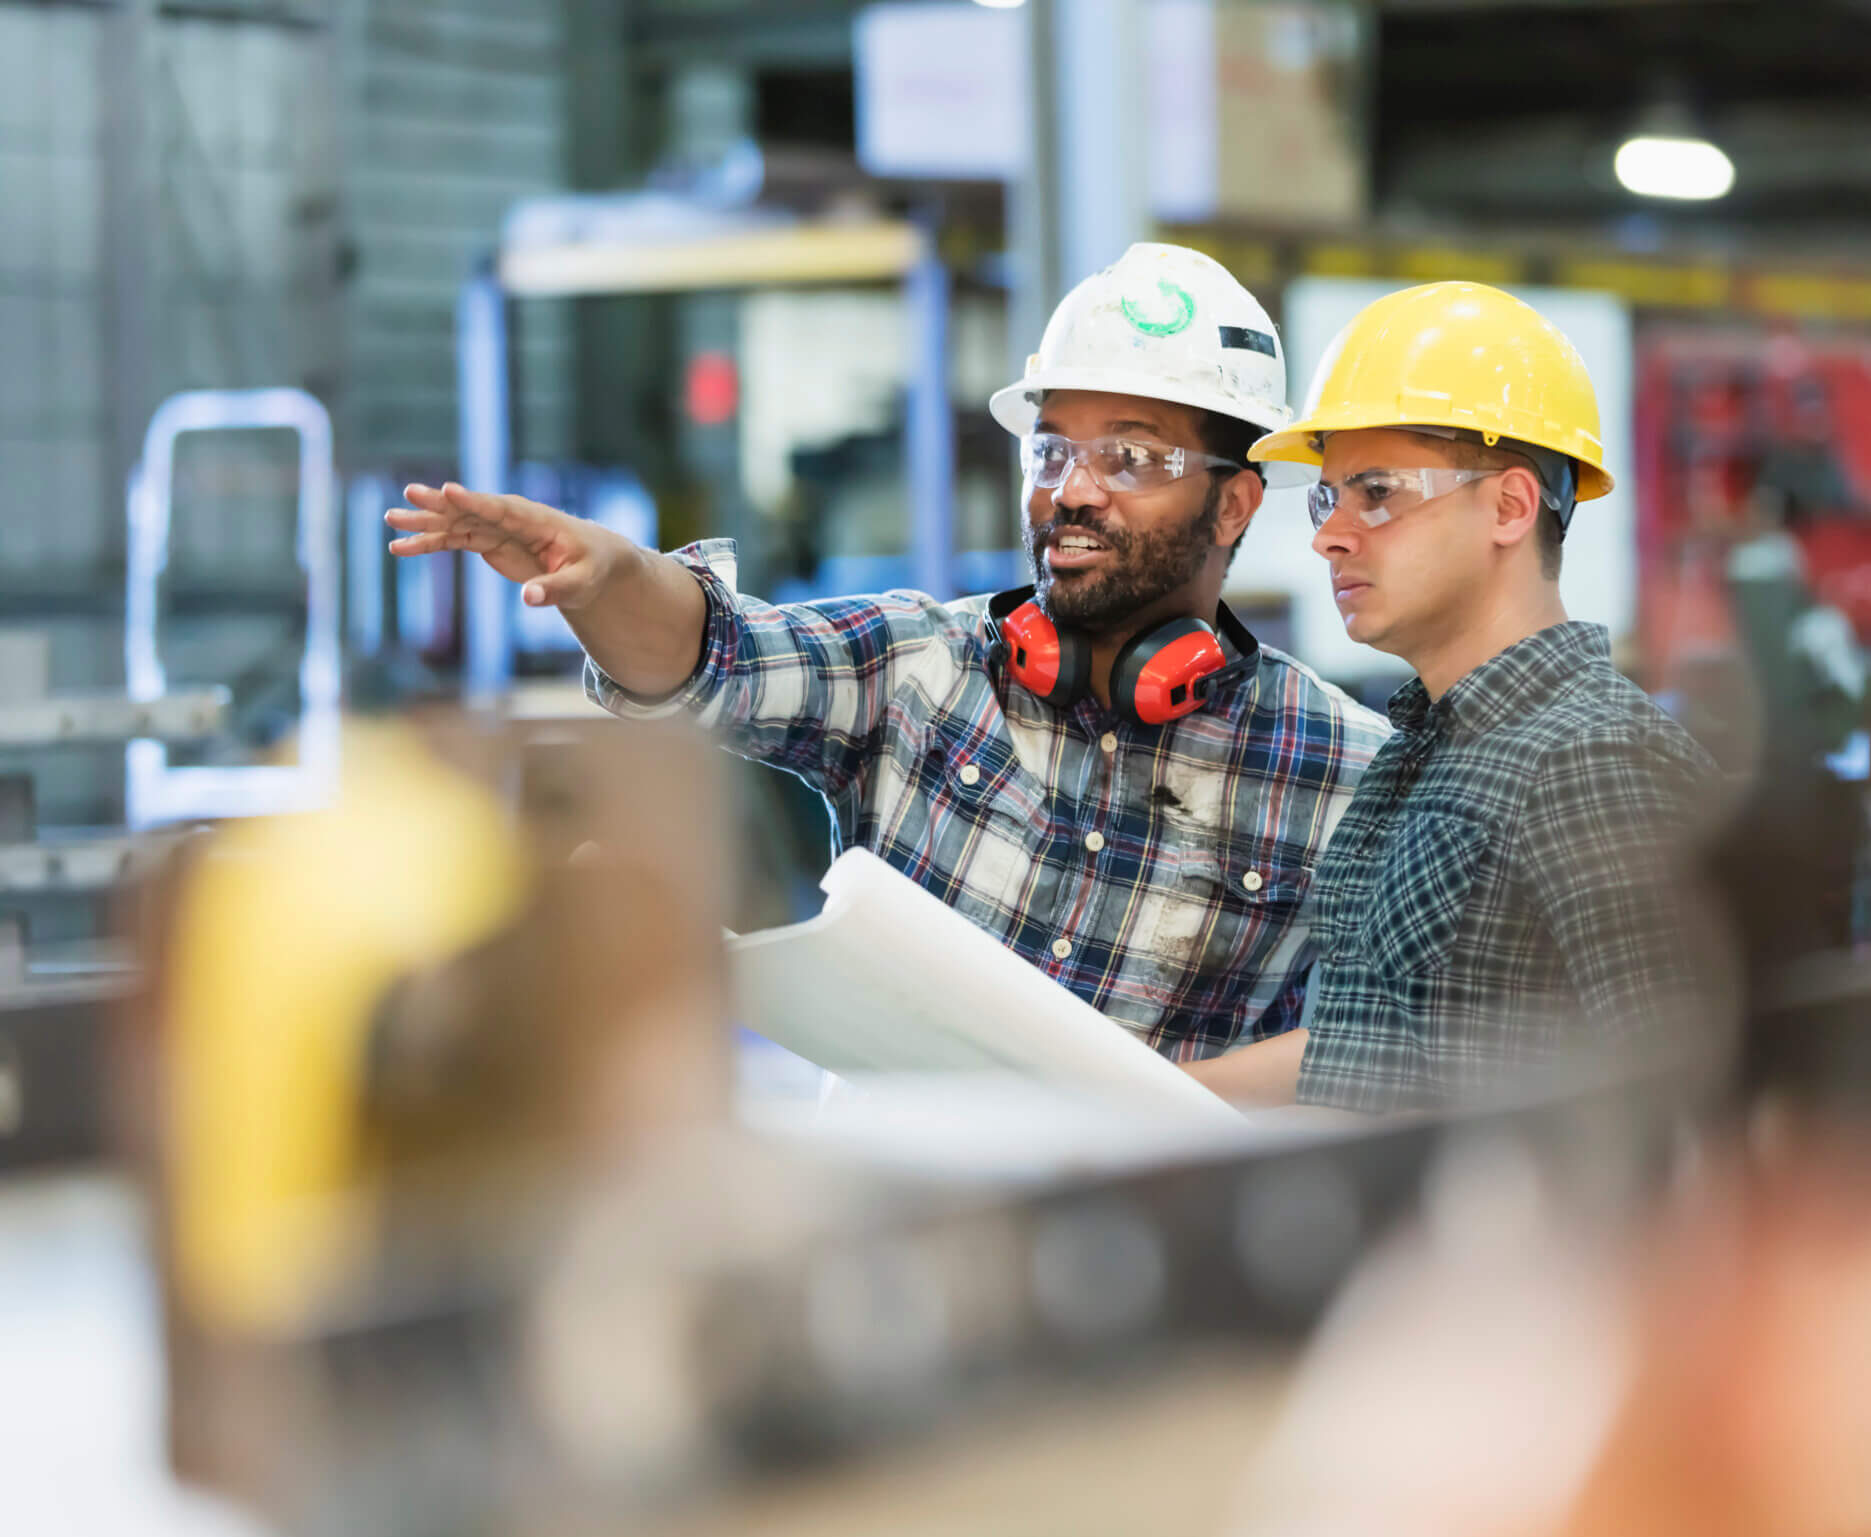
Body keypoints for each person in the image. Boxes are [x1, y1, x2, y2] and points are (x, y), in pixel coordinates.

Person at [386, 243, 1387, 1060]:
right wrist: (607, 577)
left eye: (1129, 456)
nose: (1072, 490)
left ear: (1238, 499)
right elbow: (711, 652)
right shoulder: (918, 667)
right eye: (1051, 450)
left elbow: (1360, 1063)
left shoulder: (1344, 772)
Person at [1183, 281, 1729, 1112]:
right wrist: (1127, 1094)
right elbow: (1368, 1049)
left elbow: (1699, 1092)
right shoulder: (1421, 753)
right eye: (1329, 498)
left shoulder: (1594, 761)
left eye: (1378, 493)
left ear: (1509, 506)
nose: (1330, 533)